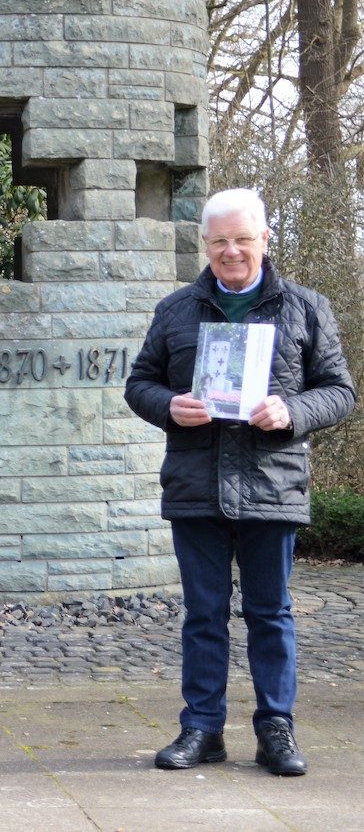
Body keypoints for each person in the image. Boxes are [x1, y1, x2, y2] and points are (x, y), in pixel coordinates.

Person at [125, 187, 355, 776]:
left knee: (270, 612)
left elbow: (340, 391)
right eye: (220, 240)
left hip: (272, 486)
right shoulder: (175, 310)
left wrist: (293, 412)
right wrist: (168, 406)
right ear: (205, 243)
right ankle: (202, 730)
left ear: (264, 241)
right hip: (195, 487)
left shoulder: (307, 308)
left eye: (243, 239)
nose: (231, 251)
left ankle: (276, 730)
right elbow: (140, 384)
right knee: (203, 615)